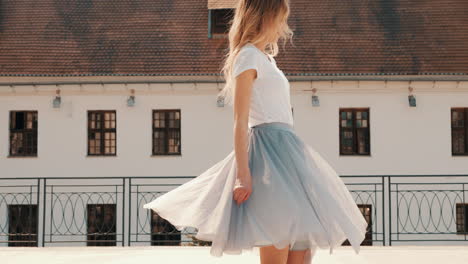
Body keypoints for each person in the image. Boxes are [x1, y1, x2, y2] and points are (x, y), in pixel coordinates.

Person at [143, 0, 368, 263]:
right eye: (280, 18)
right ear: (266, 16)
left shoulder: (267, 59)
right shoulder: (248, 56)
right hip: (269, 158)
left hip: (289, 154)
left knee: (302, 251)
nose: (283, 26)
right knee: (278, 238)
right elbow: (240, 120)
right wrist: (242, 175)